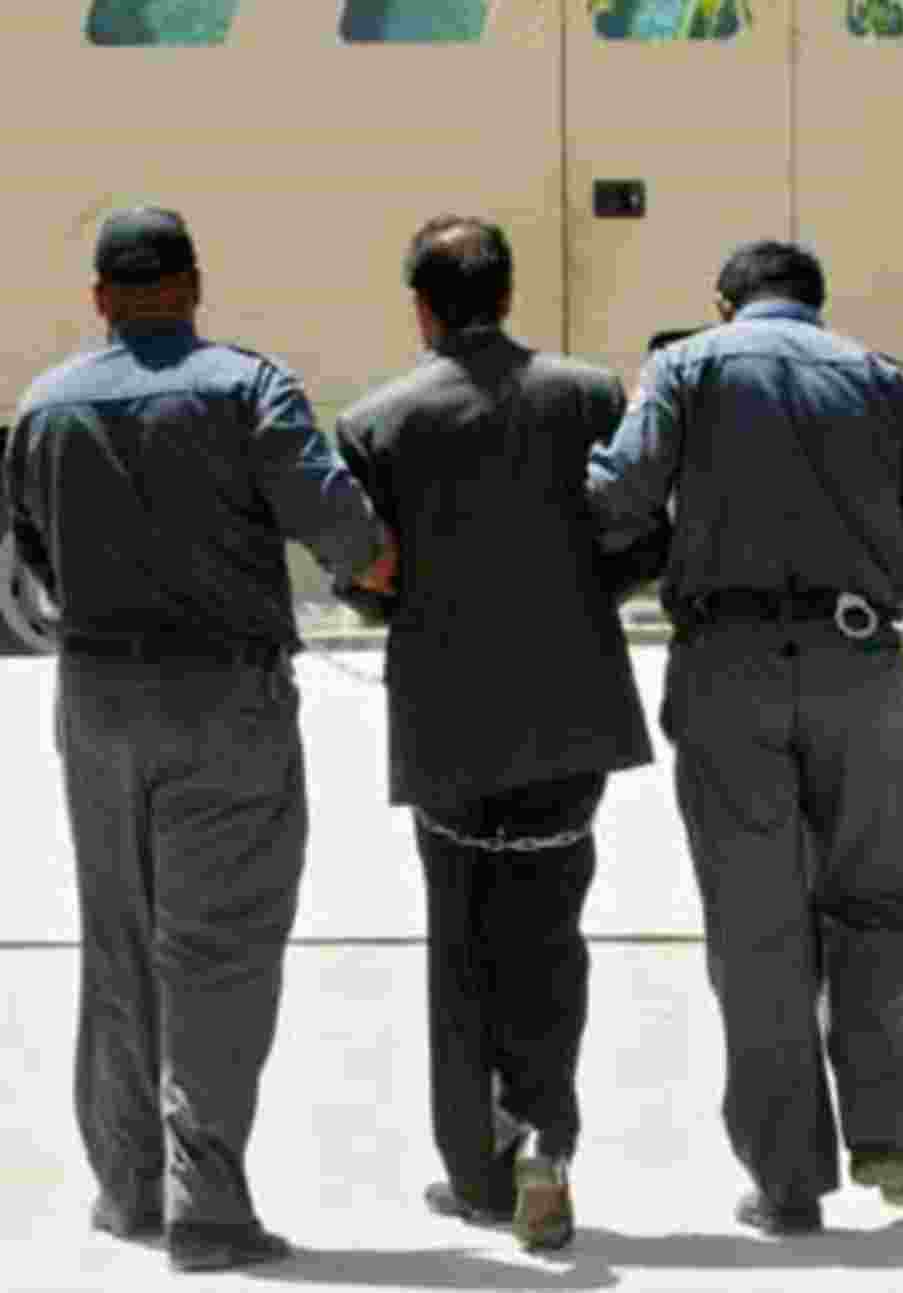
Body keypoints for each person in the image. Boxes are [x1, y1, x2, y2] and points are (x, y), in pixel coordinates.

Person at [3, 207, 395, 1273]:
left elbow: (31, 561)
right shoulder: (247, 386)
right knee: (216, 951)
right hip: (225, 700)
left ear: (99, 298)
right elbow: (348, 541)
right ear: (193, 283)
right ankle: (207, 1206)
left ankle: (127, 1190)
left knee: (119, 941)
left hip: (94, 703)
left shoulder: (44, 403)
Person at [587, 240, 903, 1236]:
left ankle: (786, 1181)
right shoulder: (882, 382)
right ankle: (886, 1132)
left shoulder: (687, 368)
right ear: (816, 303)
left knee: (755, 927)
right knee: (881, 908)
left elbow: (617, 498)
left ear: (723, 303)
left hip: (728, 677)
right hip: (858, 673)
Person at [335, 215, 654, 1251]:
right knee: (550, 937)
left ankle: (476, 1172)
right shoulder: (592, 397)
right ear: (509, 294)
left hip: (446, 717)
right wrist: (580, 594)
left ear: (420, 304)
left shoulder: (378, 422)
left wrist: (419, 614)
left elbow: (362, 578)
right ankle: (547, 1146)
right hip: (572, 713)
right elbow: (644, 536)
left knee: (461, 945)